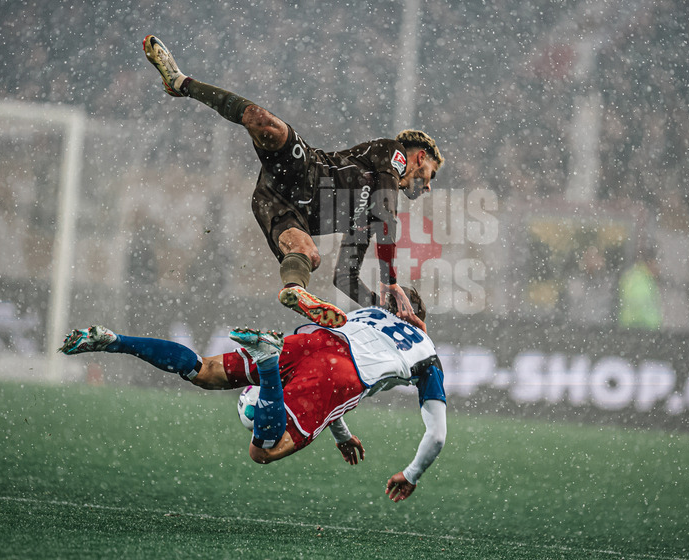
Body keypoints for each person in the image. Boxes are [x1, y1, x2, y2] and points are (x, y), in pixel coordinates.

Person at [142, 35, 444, 328]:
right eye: (431, 174)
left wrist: (382, 309)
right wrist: (390, 281)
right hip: (304, 169)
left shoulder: (370, 217)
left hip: (275, 203)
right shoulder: (394, 154)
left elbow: (345, 277)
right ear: (420, 158)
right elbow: (386, 213)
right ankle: (181, 83)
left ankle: (295, 290)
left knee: (307, 253)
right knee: (262, 121)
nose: (428, 186)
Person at [58, 287, 446, 502]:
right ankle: (265, 363)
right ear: (418, 319)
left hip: (314, 341)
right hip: (343, 373)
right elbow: (437, 434)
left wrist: (341, 433)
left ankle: (115, 341)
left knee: (203, 371)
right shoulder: (428, 355)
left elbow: (324, 369)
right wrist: (412, 474)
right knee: (263, 451)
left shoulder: (369, 315)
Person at [617, 246, 663, 330]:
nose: (659, 268)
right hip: (639, 330)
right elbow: (639, 308)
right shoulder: (639, 280)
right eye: (658, 263)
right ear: (651, 262)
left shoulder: (643, 277)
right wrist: (654, 326)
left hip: (633, 329)